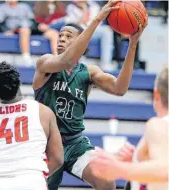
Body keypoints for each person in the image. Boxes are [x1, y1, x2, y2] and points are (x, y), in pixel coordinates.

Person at [33, 0, 148, 189]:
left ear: (81, 41)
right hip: (46, 145)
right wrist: (97, 19)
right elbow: (68, 60)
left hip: (75, 143)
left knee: (106, 181)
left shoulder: (89, 72)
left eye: (68, 36)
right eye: (61, 35)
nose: (61, 38)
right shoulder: (45, 63)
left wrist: (132, 45)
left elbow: (120, 88)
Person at [89, 66, 169, 190]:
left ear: (156, 94)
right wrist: (137, 162)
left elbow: (165, 170)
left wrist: (119, 169)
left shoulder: (158, 124)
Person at [0, 62, 64, 190]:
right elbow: (57, 159)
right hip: (31, 179)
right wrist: (39, 176)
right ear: (18, 83)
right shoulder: (43, 111)